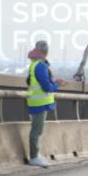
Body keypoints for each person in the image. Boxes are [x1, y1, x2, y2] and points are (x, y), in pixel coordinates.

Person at [25, 40, 66, 168]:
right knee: (37, 130)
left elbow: (30, 81)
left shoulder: (34, 64)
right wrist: (58, 84)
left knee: (36, 130)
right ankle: (34, 157)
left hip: (35, 101)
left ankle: (35, 156)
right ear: (45, 51)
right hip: (40, 103)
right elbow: (47, 87)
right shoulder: (41, 66)